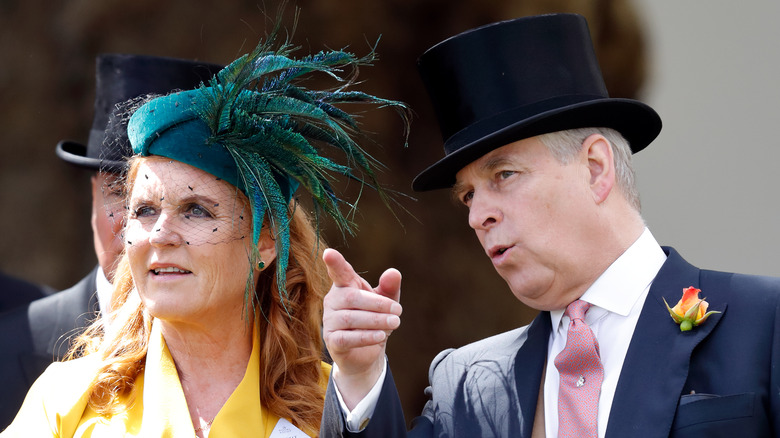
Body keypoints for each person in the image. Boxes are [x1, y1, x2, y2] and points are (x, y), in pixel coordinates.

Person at [320, 13, 780, 438]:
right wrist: (359, 375)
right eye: (468, 195)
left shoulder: (762, 322)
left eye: (504, 175)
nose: (478, 216)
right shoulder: (465, 383)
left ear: (596, 168)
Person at [2, 24, 407, 437]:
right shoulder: (67, 402)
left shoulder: (335, 407)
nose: (160, 234)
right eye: (144, 210)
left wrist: (361, 375)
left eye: (196, 210)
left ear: (265, 240)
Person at [0, 53, 223, 429]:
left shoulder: (294, 365)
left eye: (191, 206)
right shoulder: (9, 349)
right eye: (122, 192)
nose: (151, 228)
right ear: (92, 194)